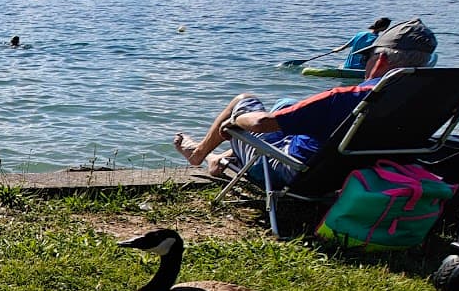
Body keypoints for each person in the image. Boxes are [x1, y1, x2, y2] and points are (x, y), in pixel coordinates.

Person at [174, 18, 437, 179]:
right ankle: (221, 158)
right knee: (286, 104)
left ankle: (199, 154)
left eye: (367, 57)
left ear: (380, 60)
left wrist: (236, 121)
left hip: (294, 171)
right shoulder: (428, 99)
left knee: (244, 101)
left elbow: (261, 124)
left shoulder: (347, 98)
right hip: (363, 169)